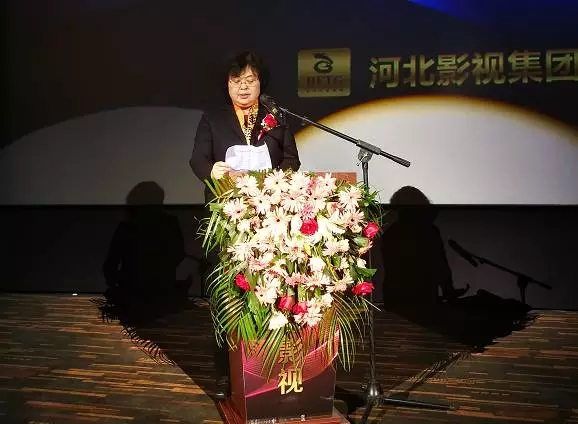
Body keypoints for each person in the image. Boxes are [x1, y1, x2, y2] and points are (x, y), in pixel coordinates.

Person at [189, 51, 301, 399]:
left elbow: (292, 160)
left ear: (260, 83)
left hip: (269, 219)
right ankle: (226, 373)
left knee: (268, 292)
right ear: (227, 85)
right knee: (229, 296)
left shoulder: (276, 117)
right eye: (236, 81)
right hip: (227, 217)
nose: (242, 87)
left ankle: (263, 369)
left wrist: (275, 181)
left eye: (249, 80)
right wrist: (214, 171)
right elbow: (197, 160)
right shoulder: (213, 118)